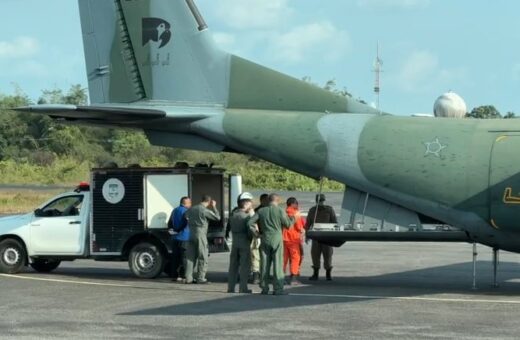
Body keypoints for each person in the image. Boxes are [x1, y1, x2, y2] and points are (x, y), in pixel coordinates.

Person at [248, 193, 294, 295]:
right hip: (277, 238)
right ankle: (278, 289)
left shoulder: (261, 211)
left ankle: (264, 288)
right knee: (278, 264)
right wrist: (293, 219)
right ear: (277, 200)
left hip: (265, 238)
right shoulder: (280, 211)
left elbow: (250, 222)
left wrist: (256, 233)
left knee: (264, 264)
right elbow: (288, 225)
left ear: (268, 200)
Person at [184, 195, 221, 284]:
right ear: (209, 202)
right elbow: (217, 218)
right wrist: (214, 207)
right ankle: (201, 278)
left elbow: (185, 216)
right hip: (200, 234)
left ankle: (188, 278)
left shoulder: (192, 209)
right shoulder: (204, 210)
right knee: (203, 256)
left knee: (190, 257)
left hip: (191, 233)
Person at [227, 192, 257, 294]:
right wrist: (252, 215)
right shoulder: (246, 217)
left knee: (233, 266)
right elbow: (252, 231)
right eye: (250, 202)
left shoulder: (233, 215)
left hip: (235, 242)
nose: (251, 204)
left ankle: (230, 288)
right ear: (246, 203)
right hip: (244, 242)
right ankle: (243, 287)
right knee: (245, 266)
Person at [305, 194, 337, 281]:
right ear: (316, 201)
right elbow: (308, 223)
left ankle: (328, 273)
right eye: (319, 201)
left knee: (328, 255)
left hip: (327, 236)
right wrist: (307, 235)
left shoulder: (329, 210)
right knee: (315, 255)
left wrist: (334, 236)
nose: (321, 203)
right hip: (316, 236)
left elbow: (334, 222)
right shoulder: (312, 210)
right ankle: (315, 273)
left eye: (322, 201)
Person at [168, 196, 191, 281]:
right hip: (184, 237)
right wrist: (178, 230)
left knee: (175, 258)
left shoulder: (174, 210)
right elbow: (186, 223)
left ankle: (174, 275)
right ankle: (184, 276)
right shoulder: (186, 211)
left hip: (175, 238)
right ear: (185, 203)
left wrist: (173, 230)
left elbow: (169, 222)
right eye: (189, 203)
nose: (190, 204)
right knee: (184, 258)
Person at [283, 197, 305, 285]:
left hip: (283, 239)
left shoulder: (283, 212)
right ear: (293, 204)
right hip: (293, 239)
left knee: (283, 259)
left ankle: (280, 277)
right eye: (296, 203)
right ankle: (293, 277)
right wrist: (303, 231)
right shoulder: (296, 213)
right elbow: (299, 227)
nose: (297, 205)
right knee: (295, 258)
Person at [250, 193, 269, 284]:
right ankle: (256, 275)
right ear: (261, 200)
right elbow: (252, 223)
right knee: (256, 256)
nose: (267, 201)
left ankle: (263, 274)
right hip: (259, 236)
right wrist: (257, 234)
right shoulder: (257, 211)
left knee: (264, 257)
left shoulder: (262, 210)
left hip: (265, 236)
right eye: (265, 200)